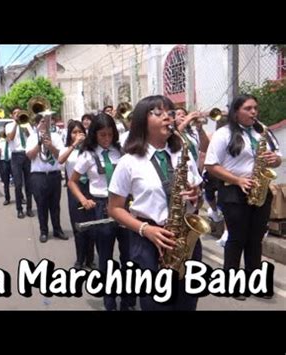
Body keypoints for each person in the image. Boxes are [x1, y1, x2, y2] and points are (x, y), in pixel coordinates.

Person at [108, 95, 203, 310]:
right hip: (149, 241)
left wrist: (197, 196)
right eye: (158, 113)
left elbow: (198, 198)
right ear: (142, 120)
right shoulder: (128, 162)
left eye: (170, 113)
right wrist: (146, 230)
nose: (167, 118)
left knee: (187, 304)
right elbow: (114, 208)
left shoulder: (182, 154)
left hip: (184, 237)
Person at [204, 94, 282, 300]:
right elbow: (211, 165)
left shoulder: (261, 131)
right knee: (236, 238)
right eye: (248, 108)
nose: (254, 112)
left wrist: (275, 159)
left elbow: (278, 159)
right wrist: (238, 180)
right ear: (236, 111)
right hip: (234, 190)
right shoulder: (224, 133)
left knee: (255, 239)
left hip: (260, 189)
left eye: (255, 108)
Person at [68, 113, 133, 311]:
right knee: (105, 258)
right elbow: (72, 181)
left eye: (110, 135)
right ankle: (110, 302)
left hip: (124, 207)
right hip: (101, 208)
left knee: (128, 256)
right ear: (94, 134)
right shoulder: (87, 155)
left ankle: (128, 301)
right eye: (102, 135)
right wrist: (83, 199)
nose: (106, 139)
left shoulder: (121, 153)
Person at [58, 120, 96, 268]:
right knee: (78, 225)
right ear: (70, 135)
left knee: (91, 224)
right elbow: (60, 160)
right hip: (75, 188)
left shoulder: (90, 150)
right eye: (74, 132)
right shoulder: (67, 149)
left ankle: (90, 258)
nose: (78, 135)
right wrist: (74, 145)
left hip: (90, 188)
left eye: (80, 132)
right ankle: (80, 259)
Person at [26, 114, 66, 242]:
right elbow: (30, 156)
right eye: (42, 121)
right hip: (38, 176)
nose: (45, 123)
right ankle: (43, 231)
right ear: (38, 124)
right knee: (41, 205)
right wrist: (39, 144)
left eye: (47, 121)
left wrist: (50, 146)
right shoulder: (32, 137)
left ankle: (57, 229)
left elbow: (61, 155)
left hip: (54, 175)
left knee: (55, 205)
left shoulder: (56, 137)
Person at [5, 106, 34, 219]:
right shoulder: (9, 125)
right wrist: (17, 124)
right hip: (16, 156)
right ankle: (19, 209)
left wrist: (24, 125)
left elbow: (31, 137)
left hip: (26, 154)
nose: (17, 114)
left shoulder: (26, 124)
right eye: (15, 113)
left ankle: (29, 208)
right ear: (12, 115)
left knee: (29, 184)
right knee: (17, 184)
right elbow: (10, 138)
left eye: (19, 112)